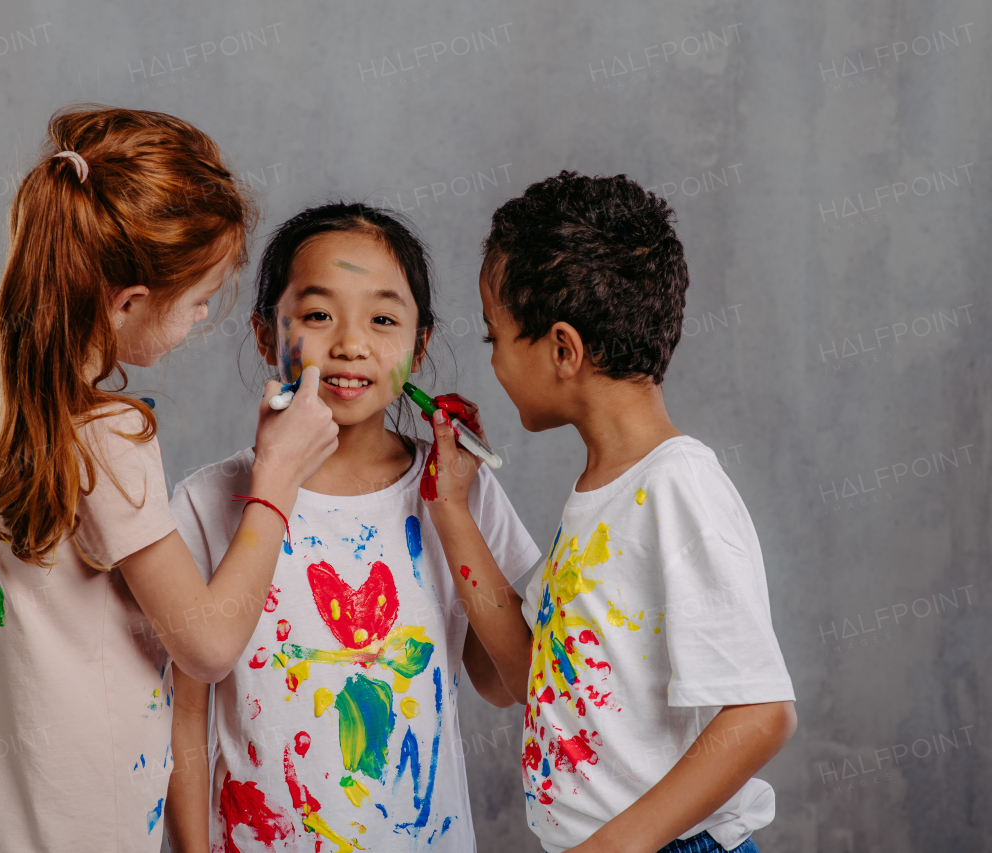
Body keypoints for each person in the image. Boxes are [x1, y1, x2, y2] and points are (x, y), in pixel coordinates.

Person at [0, 105, 337, 853]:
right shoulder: (108, 435)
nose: (204, 315)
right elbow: (210, 644)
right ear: (128, 304)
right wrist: (277, 477)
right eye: (195, 302)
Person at [165, 202, 541, 852]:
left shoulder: (458, 491)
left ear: (420, 344)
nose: (351, 342)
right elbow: (183, 719)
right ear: (264, 334)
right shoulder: (206, 503)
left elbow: (505, 683)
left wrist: (452, 510)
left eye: (384, 318)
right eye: (317, 315)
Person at [457, 171, 797, 853]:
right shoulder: (600, 495)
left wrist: (613, 846)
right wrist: (449, 509)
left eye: (493, 335)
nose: (489, 358)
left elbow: (763, 713)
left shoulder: (676, 485)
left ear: (562, 350)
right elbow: (515, 679)